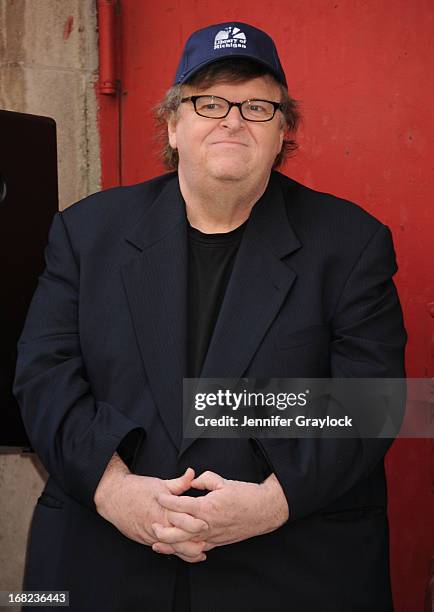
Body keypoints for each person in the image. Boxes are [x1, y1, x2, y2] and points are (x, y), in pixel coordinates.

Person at [14, 21, 406, 612]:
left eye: (256, 105)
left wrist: (273, 501)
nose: (232, 119)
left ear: (282, 133)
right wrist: (112, 488)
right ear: (173, 124)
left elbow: (374, 398)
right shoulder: (87, 231)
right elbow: (43, 375)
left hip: (291, 568)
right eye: (209, 101)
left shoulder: (352, 244)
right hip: (102, 563)